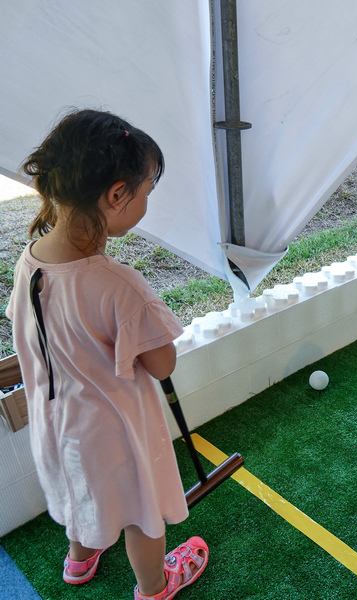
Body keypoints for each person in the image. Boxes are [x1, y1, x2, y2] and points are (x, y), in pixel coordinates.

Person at [5, 109, 208, 599]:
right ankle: (154, 587)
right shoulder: (119, 285)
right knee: (144, 510)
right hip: (117, 434)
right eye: (144, 193)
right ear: (117, 195)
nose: (144, 203)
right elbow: (162, 365)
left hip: (59, 427)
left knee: (80, 494)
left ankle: (79, 562)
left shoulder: (29, 261)